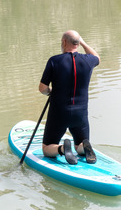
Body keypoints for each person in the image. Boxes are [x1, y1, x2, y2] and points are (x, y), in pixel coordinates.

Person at [39, 30, 100, 164]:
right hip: (80, 114)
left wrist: (51, 92)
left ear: (64, 42)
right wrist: (82, 42)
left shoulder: (54, 61)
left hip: (59, 113)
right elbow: (97, 57)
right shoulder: (89, 61)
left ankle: (62, 148)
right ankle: (85, 146)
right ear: (77, 43)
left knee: (46, 148)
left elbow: (42, 88)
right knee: (79, 146)